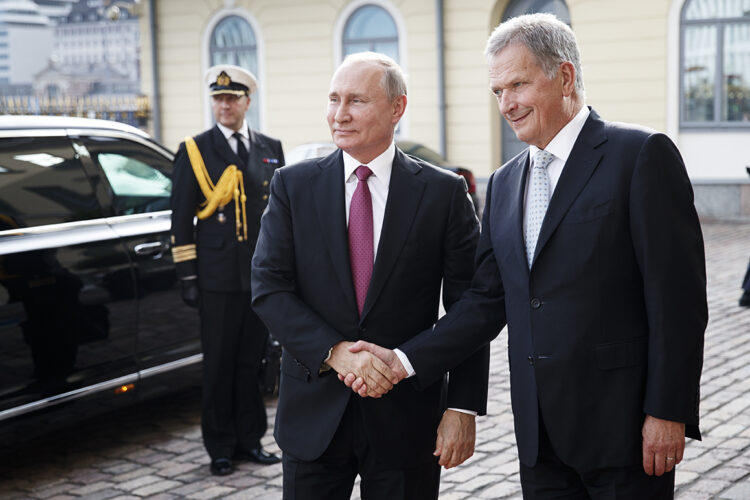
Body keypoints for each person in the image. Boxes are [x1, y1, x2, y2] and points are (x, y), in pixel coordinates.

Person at [345, 14, 708, 499]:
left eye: (517, 85)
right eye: (497, 92)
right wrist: (404, 361)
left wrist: (668, 410)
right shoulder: (505, 182)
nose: (507, 104)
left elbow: (678, 300)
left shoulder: (640, 154)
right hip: (539, 438)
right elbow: (486, 300)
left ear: (564, 77)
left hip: (624, 432)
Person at [250, 52, 490, 499]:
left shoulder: (442, 193)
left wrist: (462, 405)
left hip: (408, 420)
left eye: (356, 101)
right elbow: (269, 288)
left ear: (397, 107)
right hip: (313, 416)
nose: (339, 114)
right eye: (334, 99)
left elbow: (472, 304)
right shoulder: (292, 187)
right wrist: (336, 353)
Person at [170, 64, 284, 476]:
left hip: (258, 278)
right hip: (216, 279)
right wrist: (188, 277)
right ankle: (220, 446)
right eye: (218, 98)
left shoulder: (270, 147)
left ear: (246, 102)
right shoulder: (195, 150)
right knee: (218, 364)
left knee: (251, 362)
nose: (224, 105)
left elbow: (278, 217)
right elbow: (181, 218)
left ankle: (250, 441)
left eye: (232, 98)